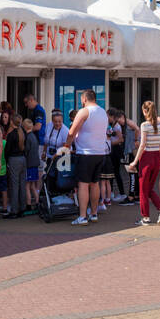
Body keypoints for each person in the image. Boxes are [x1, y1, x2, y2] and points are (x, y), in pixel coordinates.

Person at [65, 89, 109, 225]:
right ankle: (94, 214)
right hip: (100, 152)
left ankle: (83, 216)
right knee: (94, 183)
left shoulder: (84, 111)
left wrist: (66, 146)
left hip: (85, 153)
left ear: (84, 99)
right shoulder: (103, 112)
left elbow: (72, 132)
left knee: (83, 184)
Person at [127, 100, 160, 225]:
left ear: (145, 111)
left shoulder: (144, 125)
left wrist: (135, 161)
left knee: (143, 190)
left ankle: (145, 217)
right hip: (156, 156)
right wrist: (157, 153)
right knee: (149, 188)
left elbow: (142, 144)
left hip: (146, 158)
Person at [3, 111, 28, 218]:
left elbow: (7, 150)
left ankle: (14, 210)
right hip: (23, 159)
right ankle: (22, 208)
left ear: (12, 122)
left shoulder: (11, 134)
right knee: (22, 184)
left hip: (14, 159)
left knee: (14, 185)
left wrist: (6, 160)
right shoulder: (23, 132)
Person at [23, 118, 41, 210]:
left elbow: (26, 150)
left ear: (25, 127)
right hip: (35, 163)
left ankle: (28, 204)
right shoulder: (34, 136)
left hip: (29, 164)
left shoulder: (28, 137)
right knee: (33, 186)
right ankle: (37, 202)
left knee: (27, 186)